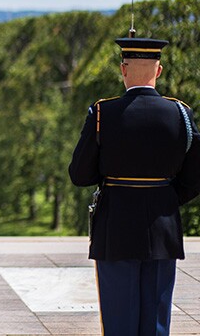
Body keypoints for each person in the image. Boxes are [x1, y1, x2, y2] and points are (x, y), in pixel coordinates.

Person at [69, 30, 200, 335]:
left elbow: (80, 175)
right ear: (159, 70)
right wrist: (164, 197)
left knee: (119, 323)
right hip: (163, 225)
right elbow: (195, 176)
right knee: (155, 323)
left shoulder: (103, 113)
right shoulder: (180, 114)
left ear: (123, 69)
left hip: (115, 225)